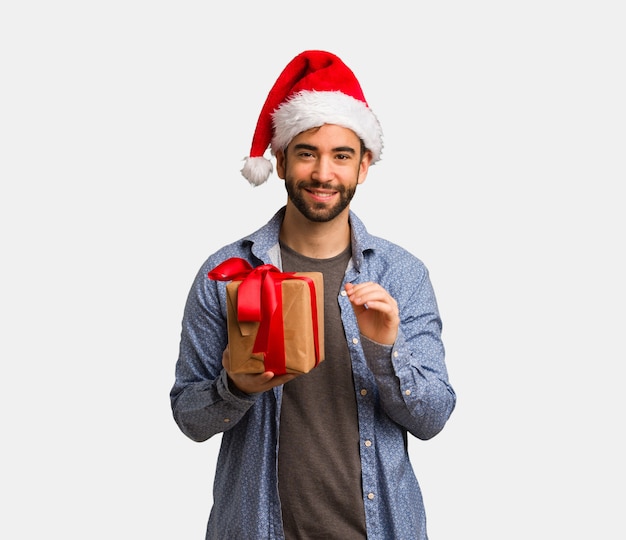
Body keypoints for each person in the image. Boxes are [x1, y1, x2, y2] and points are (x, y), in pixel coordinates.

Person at [170, 49, 456, 540]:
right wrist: (234, 387)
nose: (324, 173)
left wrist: (387, 351)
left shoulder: (402, 275)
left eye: (341, 155)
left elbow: (432, 418)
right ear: (280, 161)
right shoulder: (225, 274)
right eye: (307, 153)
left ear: (364, 165)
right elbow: (189, 417)